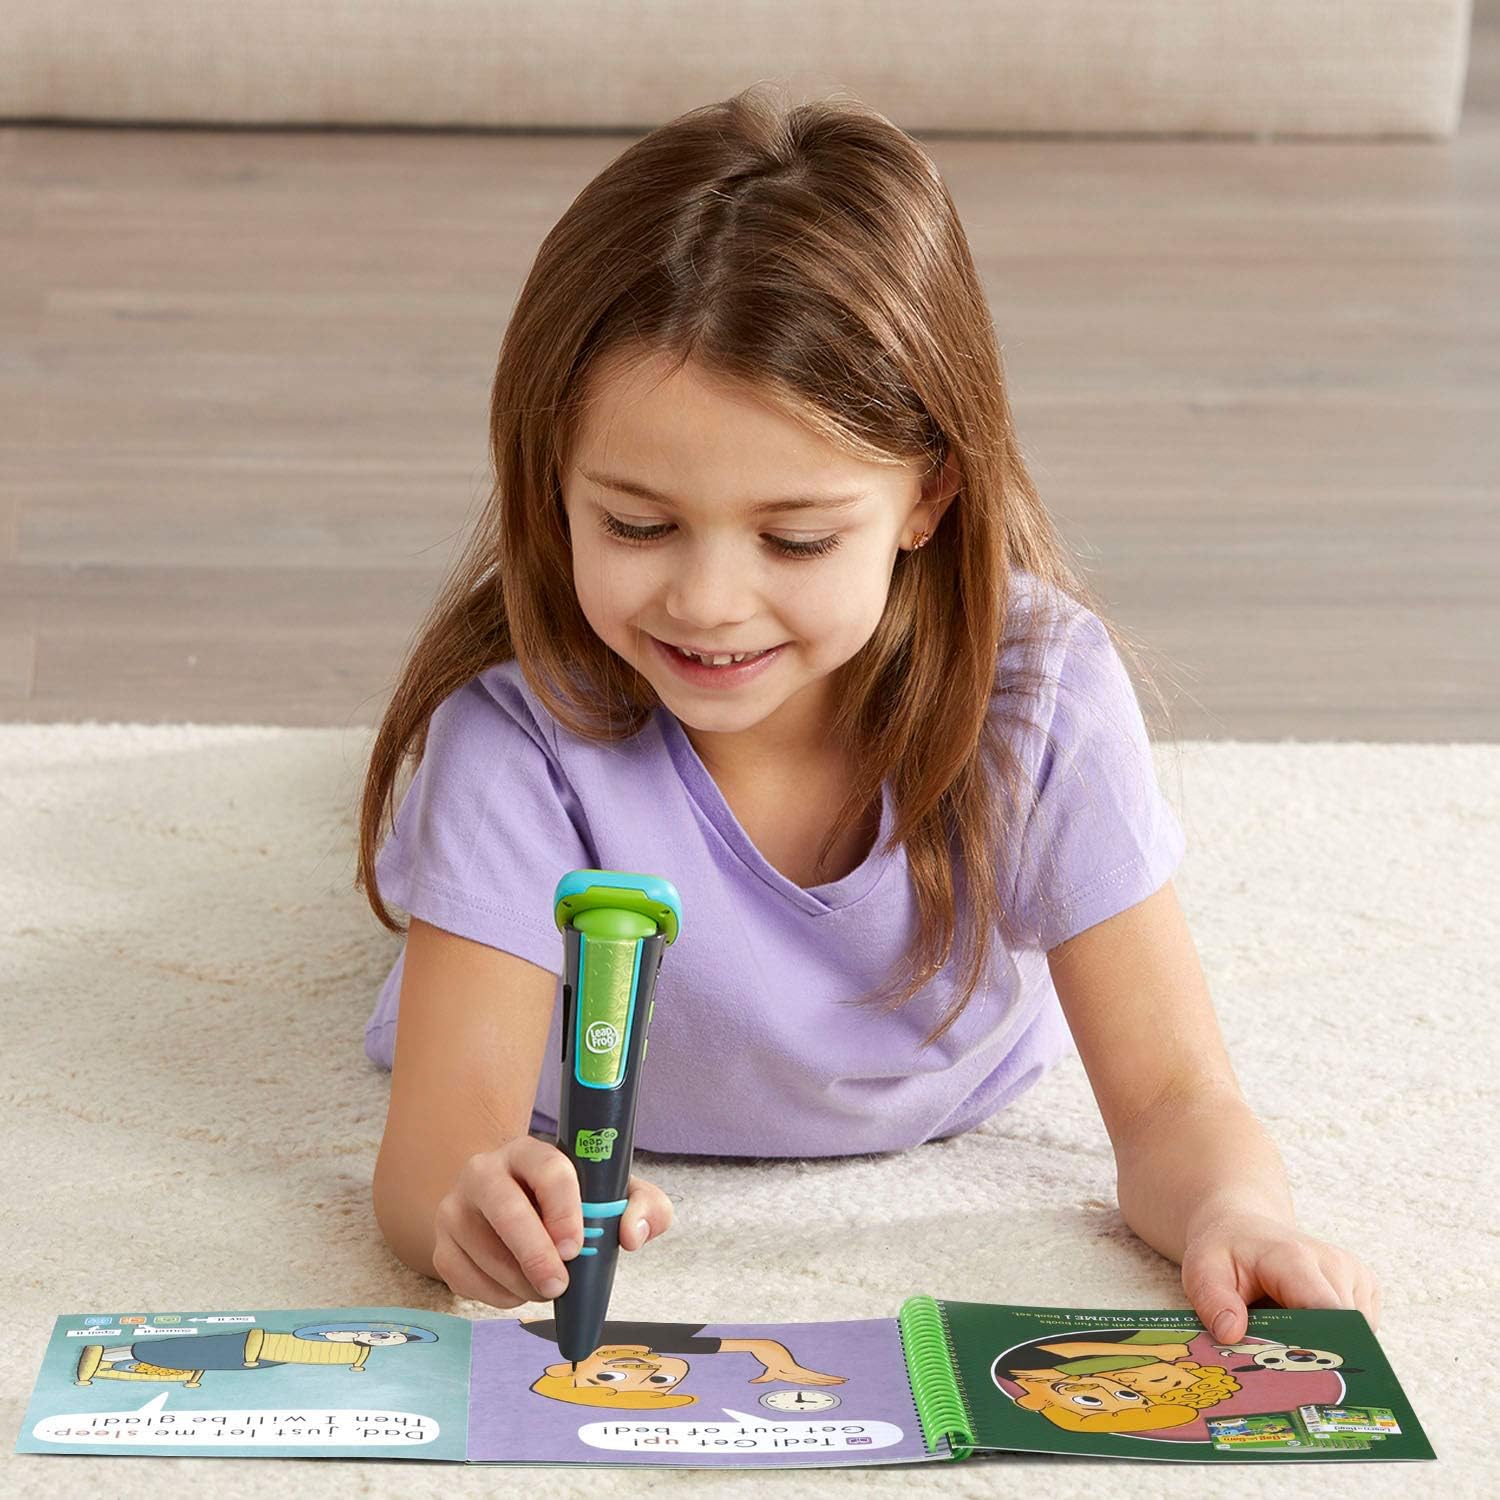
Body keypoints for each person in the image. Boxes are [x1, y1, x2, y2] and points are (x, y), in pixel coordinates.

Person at [354, 84, 1379, 1350]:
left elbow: (1174, 1100)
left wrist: (1238, 1211)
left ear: (929, 497)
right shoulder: (515, 739)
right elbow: (434, 1161)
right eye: (635, 524)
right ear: (548, 480)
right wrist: (471, 1209)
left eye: (795, 537)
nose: (708, 602)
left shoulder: (1039, 694)